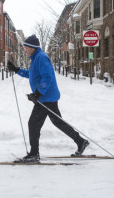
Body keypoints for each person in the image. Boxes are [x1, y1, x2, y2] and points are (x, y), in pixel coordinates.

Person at [7, 34, 89, 163]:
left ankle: (34, 153)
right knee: (58, 122)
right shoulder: (36, 58)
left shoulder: (41, 58)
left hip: (46, 98)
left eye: (26, 47)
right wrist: (17, 70)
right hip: (46, 97)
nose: (25, 50)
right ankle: (81, 141)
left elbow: (47, 77)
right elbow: (32, 75)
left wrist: (38, 93)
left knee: (33, 124)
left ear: (33, 47)